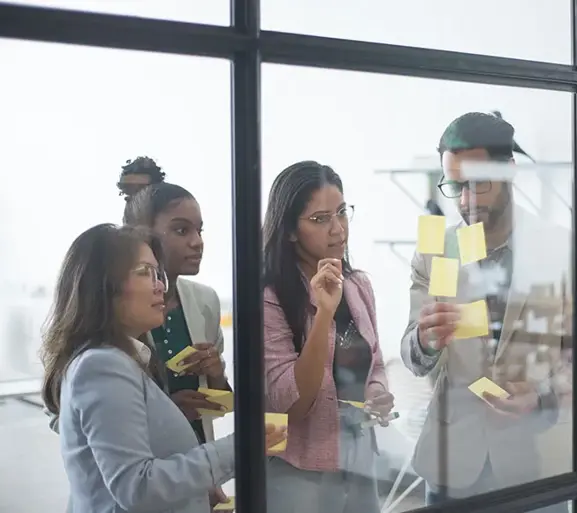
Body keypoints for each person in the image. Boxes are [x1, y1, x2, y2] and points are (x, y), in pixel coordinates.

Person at [401, 112, 577, 507]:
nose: (465, 201)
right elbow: (412, 354)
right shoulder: (434, 250)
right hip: (452, 466)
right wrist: (424, 342)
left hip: (537, 466)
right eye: (455, 185)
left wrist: (542, 396)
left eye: (479, 184)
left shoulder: (564, 250)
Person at [40, 223, 286, 513]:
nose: (160, 285)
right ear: (104, 286)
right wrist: (241, 447)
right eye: (145, 272)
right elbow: (137, 489)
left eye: (158, 274)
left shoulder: (123, 361)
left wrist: (198, 491)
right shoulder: (101, 366)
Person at [262, 161, 395, 513]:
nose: (338, 230)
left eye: (341, 213)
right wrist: (323, 313)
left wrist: (376, 392)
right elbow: (292, 403)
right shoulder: (269, 297)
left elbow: (375, 363)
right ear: (290, 230)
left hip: (359, 458)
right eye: (320, 219)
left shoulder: (358, 285)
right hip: (299, 471)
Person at [124, 182, 234, 509]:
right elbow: (74, 417)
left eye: (199, 230)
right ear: (142, 235)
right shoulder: (116, 315)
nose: (197, 242)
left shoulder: (205, 302)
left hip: (198, 473)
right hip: (138, 484)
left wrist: (216, 373)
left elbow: (222, 402)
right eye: (181, 230)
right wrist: (166, 413)